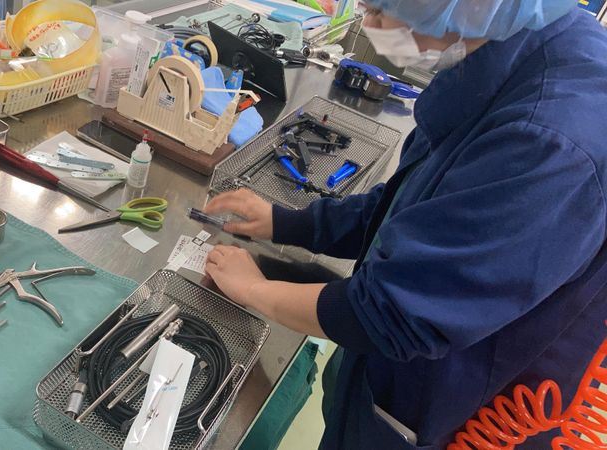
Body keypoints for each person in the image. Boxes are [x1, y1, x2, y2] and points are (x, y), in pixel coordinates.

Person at [203, 0, 607, 448]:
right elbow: (414, 200)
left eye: (378, 8)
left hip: (452, 407)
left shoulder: (547, 141)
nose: (367, 20)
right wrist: (286, 223)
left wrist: (252, 290)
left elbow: (389, 315)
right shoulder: (503, 39)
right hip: (397, 367)